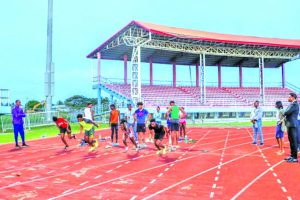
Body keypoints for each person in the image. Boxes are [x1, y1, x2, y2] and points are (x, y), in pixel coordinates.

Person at [283, 93, 299, 163]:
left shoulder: (295, 104)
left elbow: (287, 112)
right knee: (291, 141)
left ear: (293, 97)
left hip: (292, 125)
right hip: (290, 124)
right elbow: (286, 112)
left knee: (294, 142)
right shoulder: (292, 104)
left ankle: (295, 158)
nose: (288, 98)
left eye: (289, 97)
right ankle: (292, 156)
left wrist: (285, 112)